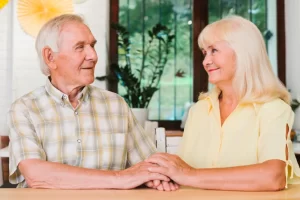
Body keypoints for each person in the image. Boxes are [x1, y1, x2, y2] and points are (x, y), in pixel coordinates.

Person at [7, 14, 178, 191]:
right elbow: (37, 175)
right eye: (80, 47)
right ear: (50, 57)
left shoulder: (116, 105)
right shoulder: (24, 109)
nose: (93, 55)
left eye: (92, 45)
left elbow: (150, 165)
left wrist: (154, 177)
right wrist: (121, 178)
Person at [146, 15, 300, 191]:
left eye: (214, 51)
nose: (206, 61)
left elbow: (273, 177)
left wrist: (189, 175)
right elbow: (183, 170)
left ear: (243, 53)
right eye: (204, 53)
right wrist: (163, 176)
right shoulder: (199, 110)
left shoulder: (273, 109)